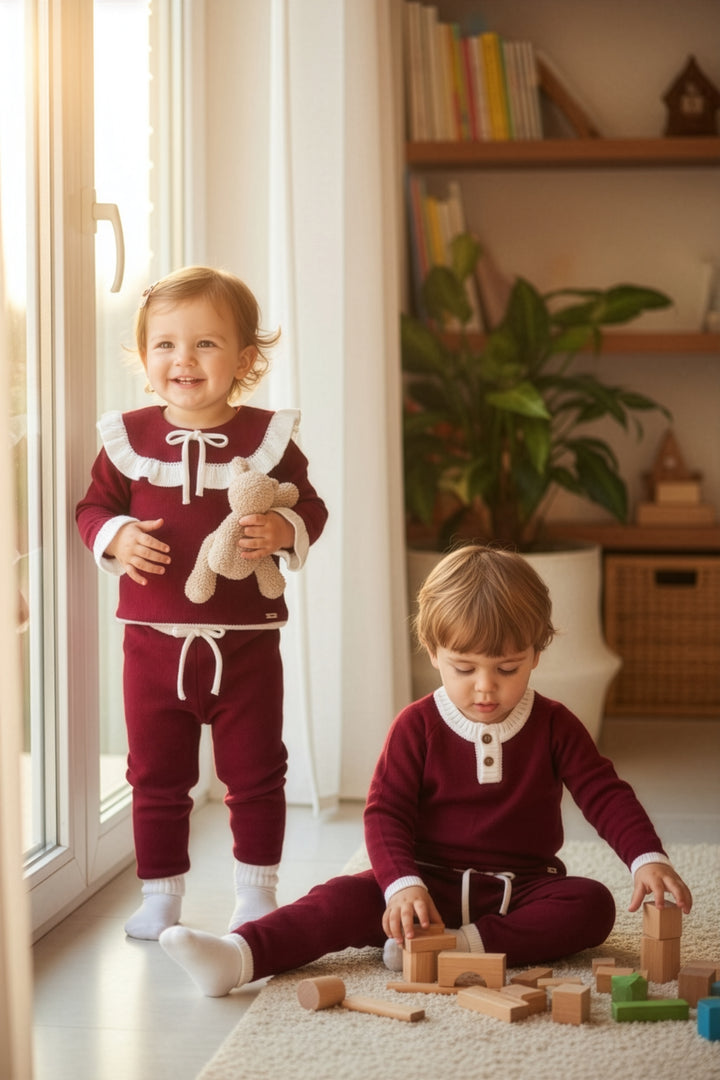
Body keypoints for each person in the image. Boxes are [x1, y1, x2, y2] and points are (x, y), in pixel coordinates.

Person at [157, 544, 692, 996]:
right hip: (423, 887)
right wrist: (400, 885)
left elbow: (604, 792)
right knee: (336, 899)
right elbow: (385, 814)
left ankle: (458, 950)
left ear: (537, 653)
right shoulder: (417, 726)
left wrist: (646, 857)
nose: (486, 687)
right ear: (433, 652)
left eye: (507, 669)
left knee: (591, 906)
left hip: (519, 890)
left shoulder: (555, 724)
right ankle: (237, 956)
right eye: (465, 668)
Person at [76, 266, 328, 940]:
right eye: (165, 344)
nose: (182, 360)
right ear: (144, 354)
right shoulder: (126, 439)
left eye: (205, 345)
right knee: (155, 776)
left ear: (245, 360)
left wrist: (284, 530)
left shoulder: (269, 438)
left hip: (246, 647)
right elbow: (94, 507)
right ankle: (160, 895)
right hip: (152, 646)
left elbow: (311, 506)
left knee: (256, 772)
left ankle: (256, 892)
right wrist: (117, 535)